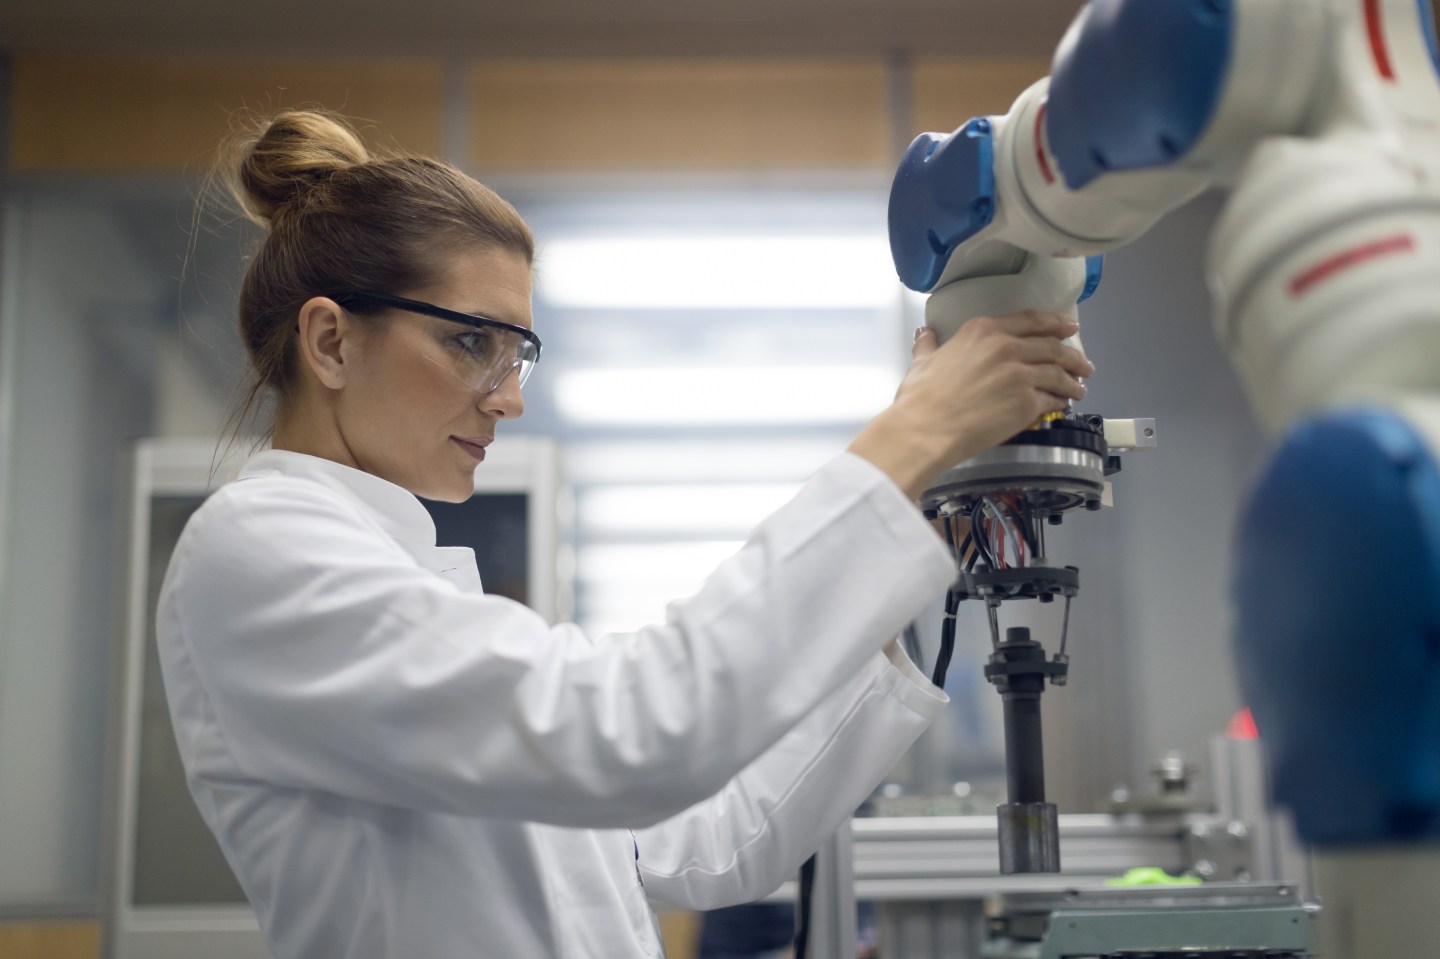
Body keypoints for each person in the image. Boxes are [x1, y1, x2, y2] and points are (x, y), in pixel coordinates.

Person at [157, 109, 1092, 959]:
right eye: (472, 342)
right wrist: (910, 436)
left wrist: (913, 517)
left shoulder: (411, 577)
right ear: (331, 342)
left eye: (518, 352)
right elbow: (631, 731)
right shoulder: (259, 551)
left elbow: (706, 841)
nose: (510, 398)